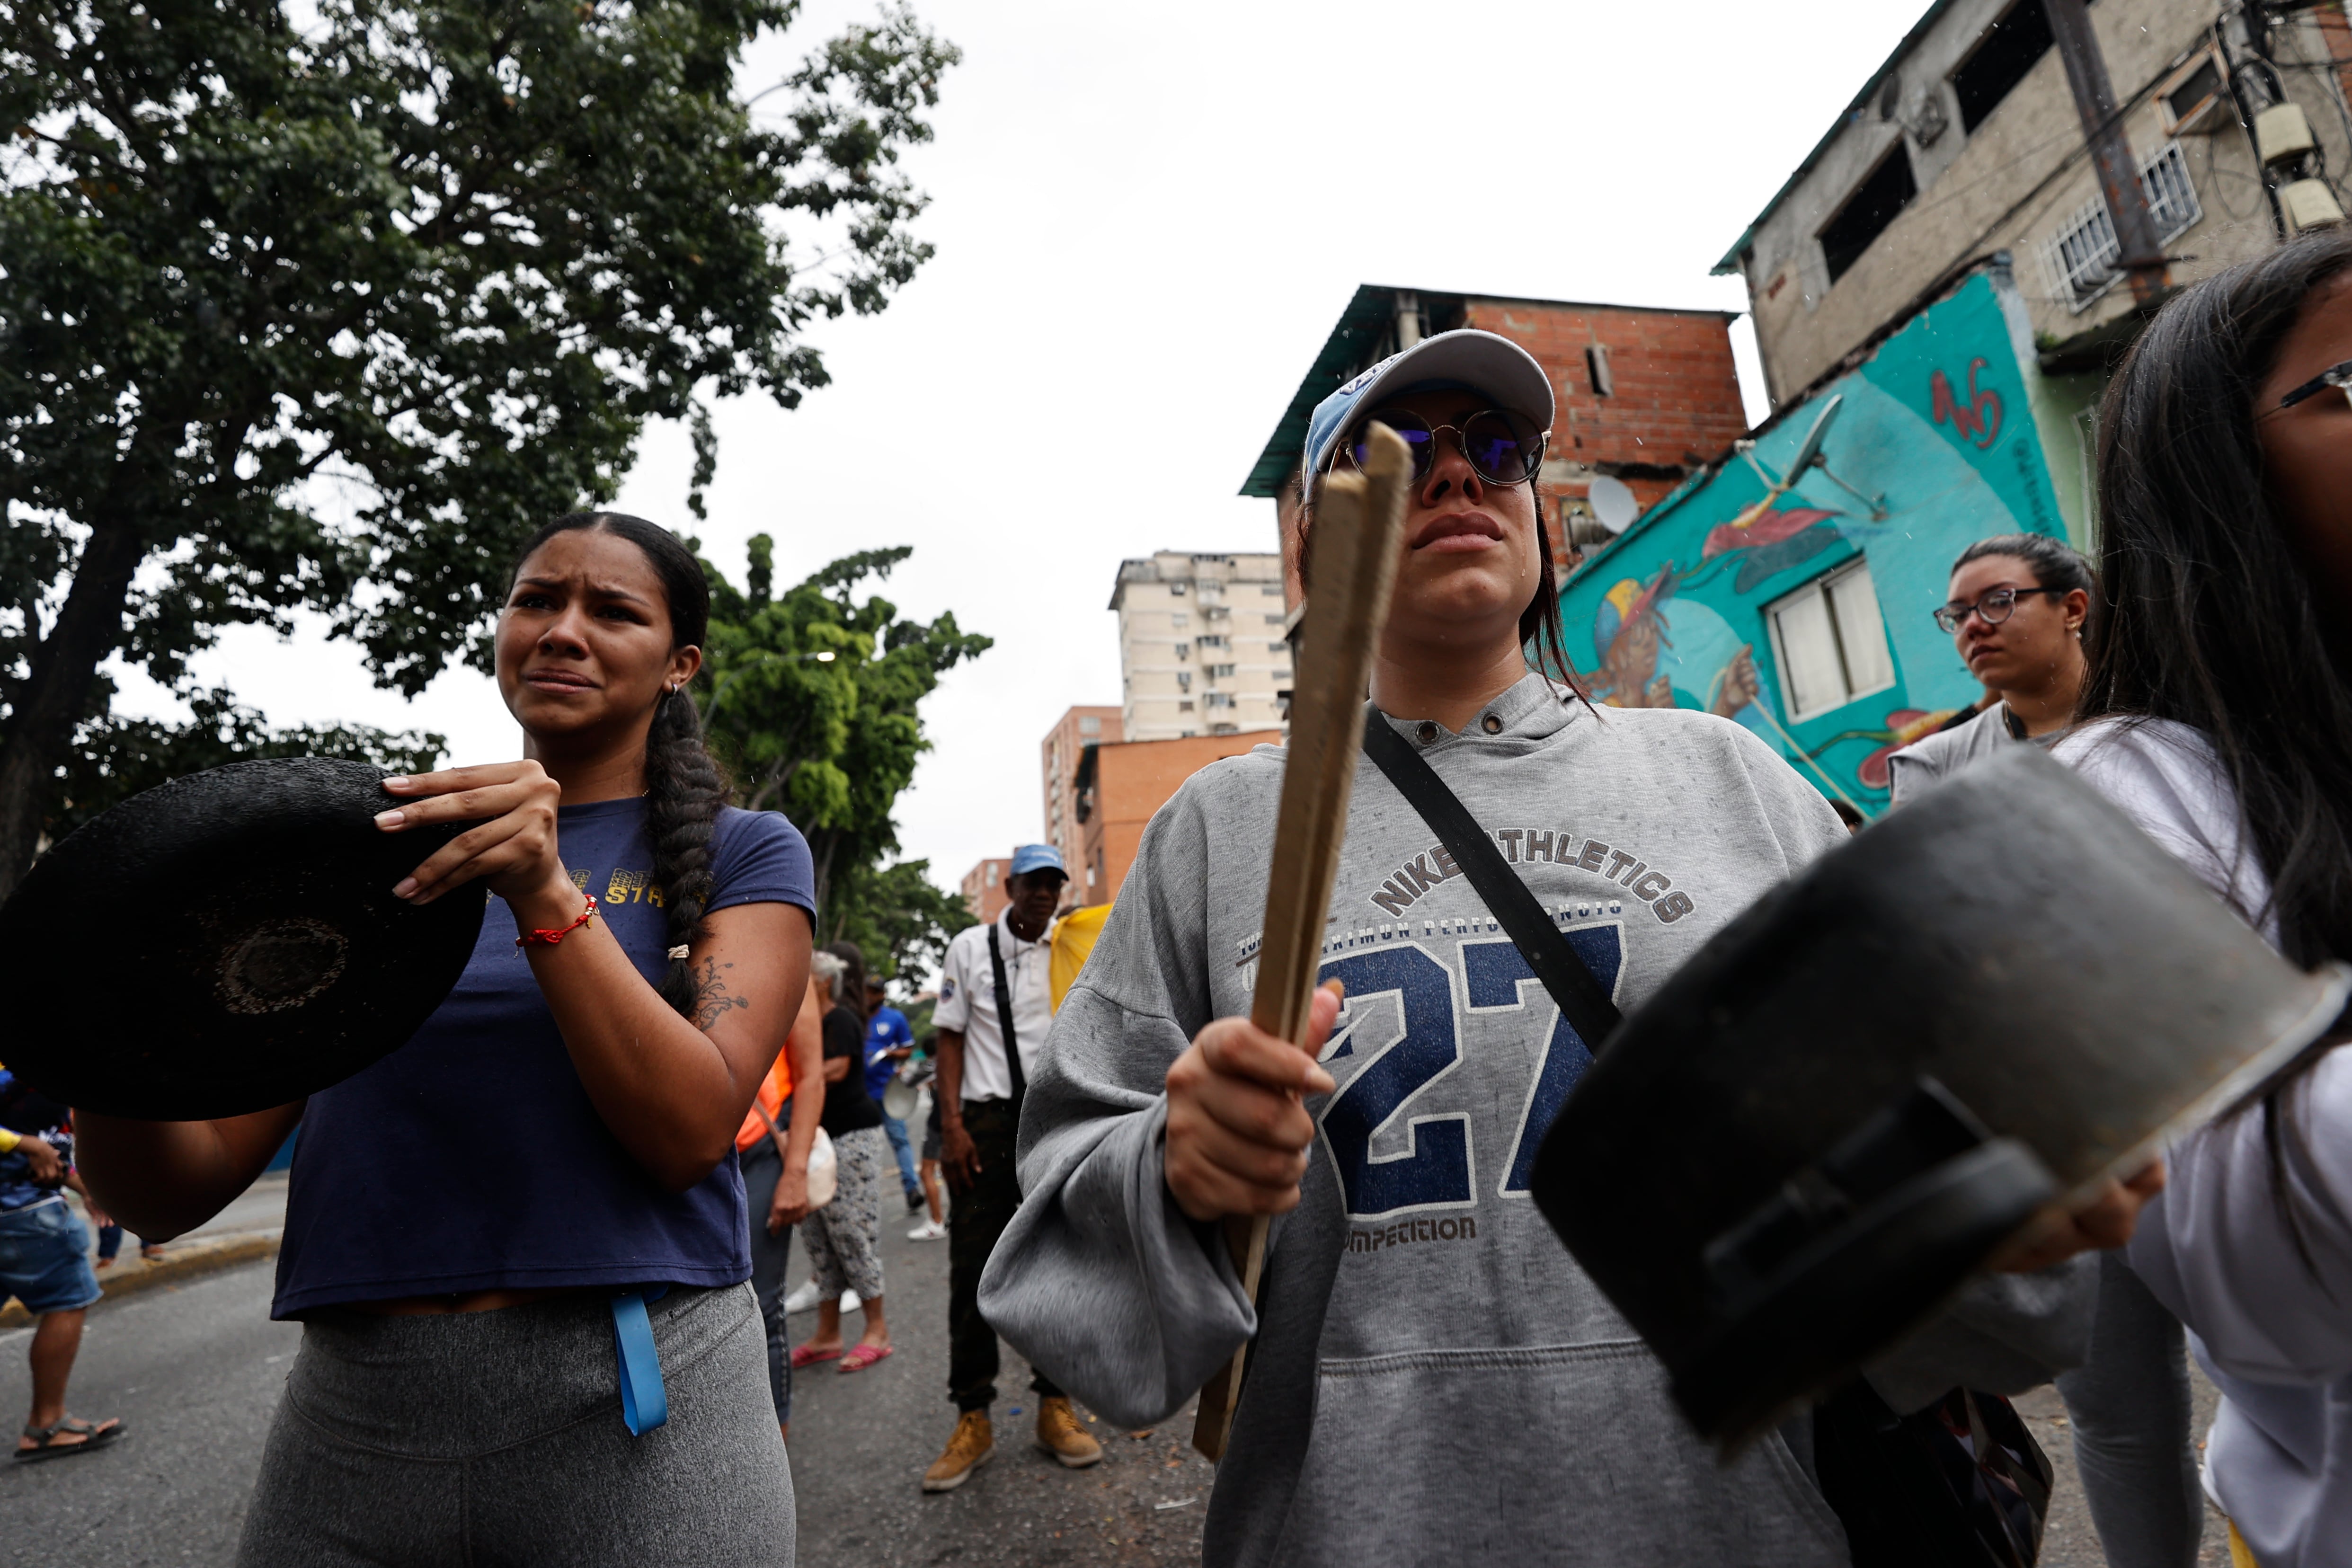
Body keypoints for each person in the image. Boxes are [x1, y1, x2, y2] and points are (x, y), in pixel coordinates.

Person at [976, 328, 2151, 1565]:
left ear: (1539, 521)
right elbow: (1068, 1271)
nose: (1458, 474)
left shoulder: (1729, 781)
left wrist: (2003, 1191)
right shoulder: (1216, 834)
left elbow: (1936, 1184)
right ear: (1312, 554)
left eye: (1494, 449)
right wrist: (1177, 1169)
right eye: (1399, 455)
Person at [78, 512, 814, 1566]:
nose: (562, 630)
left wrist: (543, 890)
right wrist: (102, 1027)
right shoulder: (369, 856)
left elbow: (690, 1127)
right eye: (535, 601)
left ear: (679, 665)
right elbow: (167, 1192)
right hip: (357, 1410)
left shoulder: (748, 854)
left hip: (641, 1397)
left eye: (612, 611)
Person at [2055, 228, 2352, 1568]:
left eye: (1998, 600)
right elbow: (2257, 1236)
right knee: (2117, 1402)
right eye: (2351, 383)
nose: (1972, 629)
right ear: (2214, 479)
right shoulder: (2125, 784)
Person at [921, 844, 1102, 1491]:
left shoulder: (1070, 945)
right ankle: (973, 1416)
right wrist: (950, 1126)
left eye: (1054, 884)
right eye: (1032, 885)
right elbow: (950, 1036)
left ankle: (1055, 1404)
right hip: (985, 1122)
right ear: (1009, 887)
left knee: (1058, 1264)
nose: (1044, 896)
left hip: (1051, 1120)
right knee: (971, 1270)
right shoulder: (970, 948)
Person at [1886, 532, 2094, 806]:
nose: (1972, 625)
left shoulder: (2158, 720)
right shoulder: (1937, 765)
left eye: (1998, 601)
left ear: (2072, 610)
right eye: (1958, 615)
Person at [0, 1076, 121, 1462]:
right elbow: (33, 1148)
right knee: (68, 1299)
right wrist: (28, 1144)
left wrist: (86, 1188)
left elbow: (48, 1158)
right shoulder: (18, 1069)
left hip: (20, 1203)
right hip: (24, 1212)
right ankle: (47, 1423)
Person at [790, 950, 894, 1374]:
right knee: (819, 1238)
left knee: (851, 1232)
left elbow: (833, 1069)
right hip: (816, 1140)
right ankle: (828, 1334)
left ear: (821, 982)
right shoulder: (804, 1023)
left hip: (852, 1138)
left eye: (805, 974)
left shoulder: (841, 1020)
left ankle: (877, 1331)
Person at [741, 949, 826, 1445]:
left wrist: (794, 1172)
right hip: (680, 1152)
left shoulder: (782, 945)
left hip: (758, 1151)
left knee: (760, 1304)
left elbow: (810, 1074)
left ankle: (773, 1444)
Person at [864, 973, 924, 1212]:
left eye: (874, 992)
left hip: (888, 1092)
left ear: (882, 995)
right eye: (866, 990)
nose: (869, 996)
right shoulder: (855, 1017)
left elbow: (908, 1049)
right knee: (864, 1146)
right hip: (860, 1094)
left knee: (899, 1140)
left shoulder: (894, 1018)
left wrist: (890, 1055)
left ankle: (912, 1190)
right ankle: (865, 1198)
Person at [908, 1033, 950, 1242]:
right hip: (955, 1118)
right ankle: (951, 1217)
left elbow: (907, 1083)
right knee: (949, 1168)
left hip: (937, 1120)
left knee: (927, 1172)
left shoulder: (931, 1065)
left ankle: (936, 1222)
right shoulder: (954, 1060)